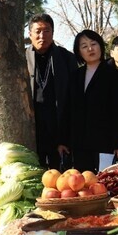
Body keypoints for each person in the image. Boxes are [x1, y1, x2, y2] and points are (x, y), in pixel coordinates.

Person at [65, 29, 118, 172]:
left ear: (100, 46)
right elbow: (68, 109)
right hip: (80, 142)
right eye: (84, 46)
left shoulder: (112, 75)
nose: (90, 49)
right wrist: (63, 140)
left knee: (104, 183)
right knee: (84, 185)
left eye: (93, 44)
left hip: (105, 142)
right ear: (78, 51)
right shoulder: (75, 76)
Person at [25, 14, 77, 169]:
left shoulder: (67, 58)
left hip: (59, 123)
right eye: (38, 31)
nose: (42, 36)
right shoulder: (22, 58)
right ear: (30, 34)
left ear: (53, 32)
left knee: (60, 176)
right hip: (33, 125)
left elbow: (74, 99)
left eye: (46, 31)